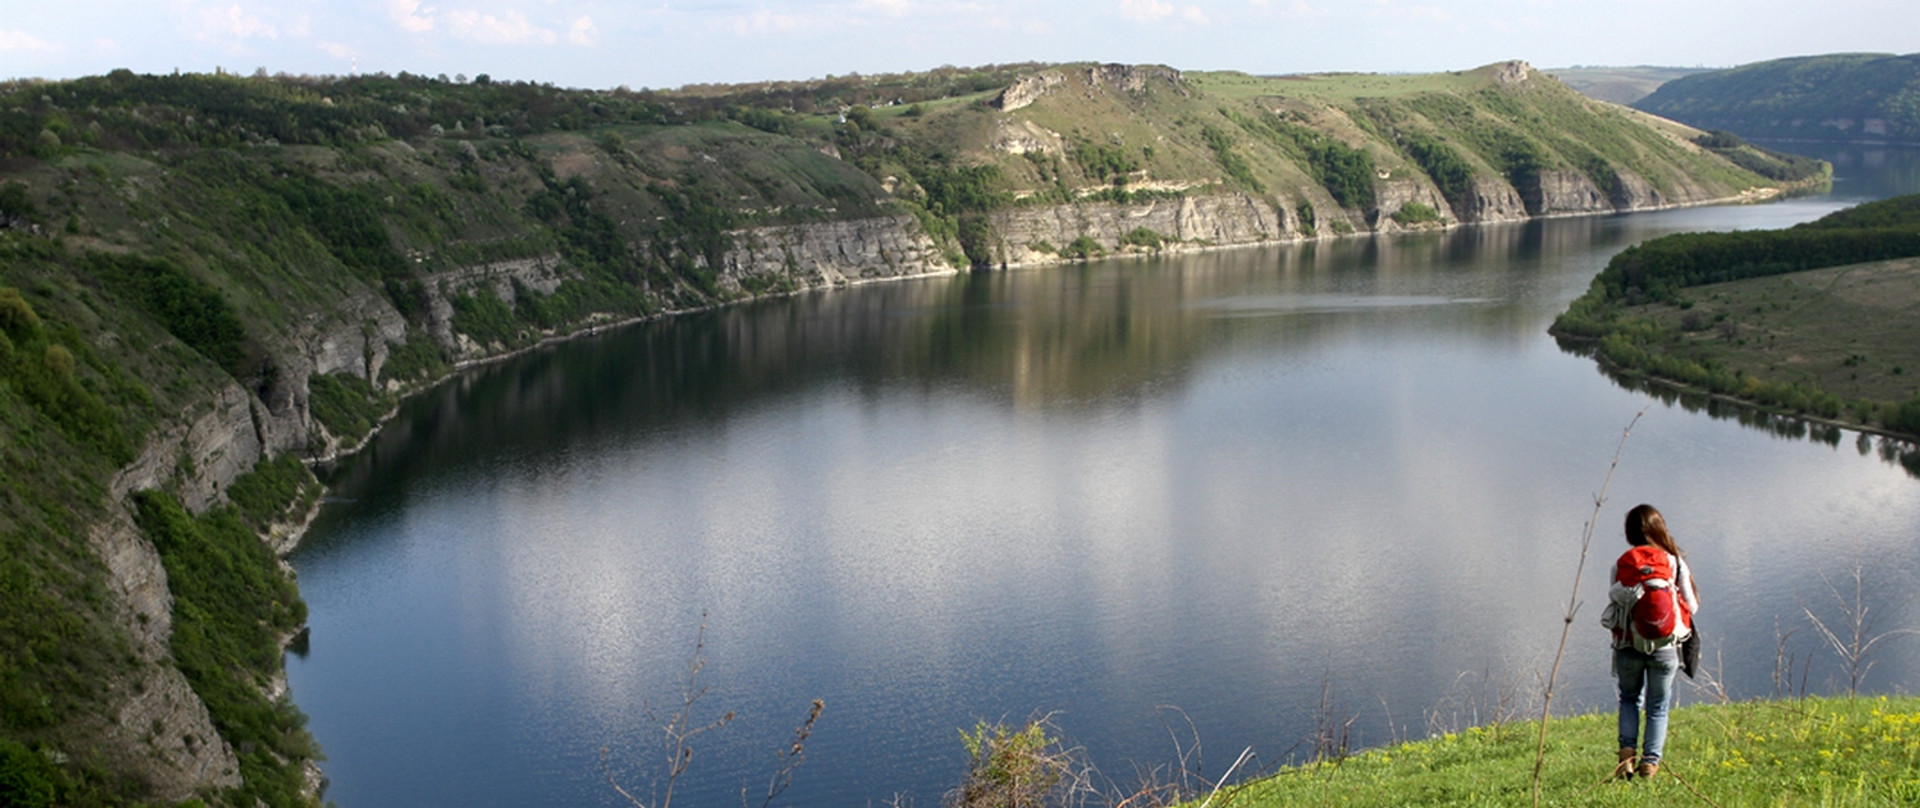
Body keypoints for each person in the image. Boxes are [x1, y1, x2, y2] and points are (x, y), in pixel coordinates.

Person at [1605, 503, 1699, 781]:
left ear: (1629, 533)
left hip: (1628, 645)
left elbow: (1614, 601)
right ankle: (1650, 763)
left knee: (1629, 699)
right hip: (1665, 648)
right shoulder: (1674, 562)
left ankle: (1626, 760)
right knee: (1658, 705)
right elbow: (1692, 607)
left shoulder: (1621, 563)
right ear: (1659, 529)